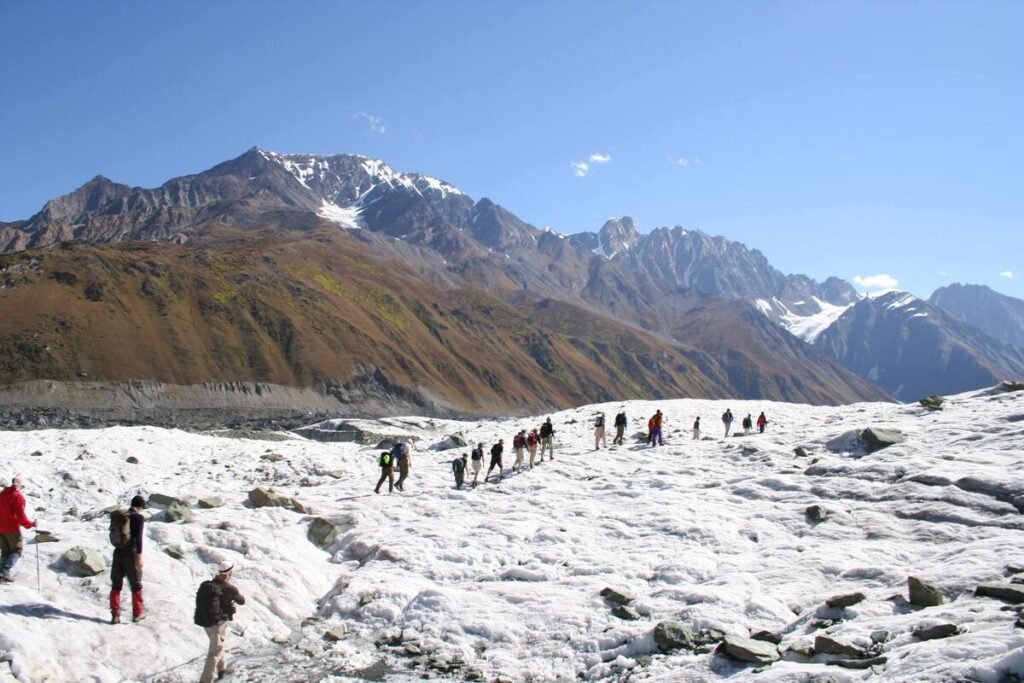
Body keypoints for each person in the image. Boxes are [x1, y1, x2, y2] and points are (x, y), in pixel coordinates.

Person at [195, 562, 246, 683]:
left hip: (205, 623)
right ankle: (205, 680)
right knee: (214, 652)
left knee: (217, 645)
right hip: (218, 624)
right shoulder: (229, 588)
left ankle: (222, 670)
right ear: (229, 573)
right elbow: (242, 601)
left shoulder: (206, 585)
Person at [109, 494, 146, 623]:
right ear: (141, 506)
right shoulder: (138, 518)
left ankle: (115, 615)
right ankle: (137, 613)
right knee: (136, 585)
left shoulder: (121, 517)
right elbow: (138, 538)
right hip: (131, 553)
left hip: (118, 552)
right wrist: (139, 557)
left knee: (116, 585)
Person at [0, 475, 36, 583]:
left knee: (5, 551)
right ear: (19, 486)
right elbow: (20, 516)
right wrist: (31, 524)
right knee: (16, 550)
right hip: (11, 528)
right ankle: (4, 572)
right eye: (23, 487)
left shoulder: (2, 494)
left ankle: (1, 572)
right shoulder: (17, 497)